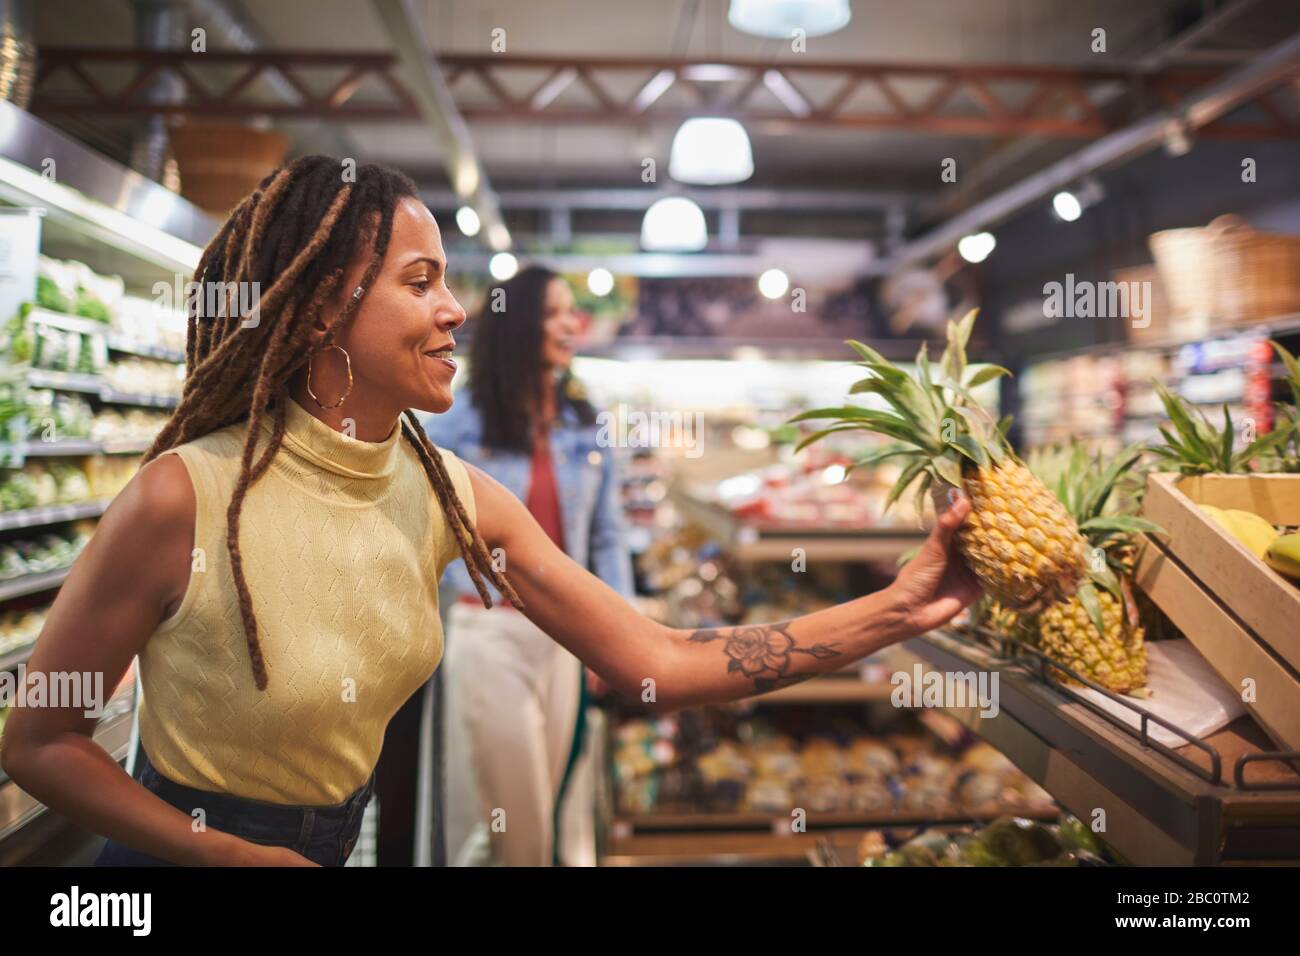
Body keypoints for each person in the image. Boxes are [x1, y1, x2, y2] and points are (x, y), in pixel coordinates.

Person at [0, 156, 980, 867]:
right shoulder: (182, 496)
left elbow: (661, 660)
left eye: (448, 282)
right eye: (418, 282)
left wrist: (901, 604)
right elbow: (37, 743)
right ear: (316, 311)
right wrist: (211, 851)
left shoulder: (452, 495)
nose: (455, 309)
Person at [424, 264, 633, 867]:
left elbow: (607, 536)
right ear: (519, 329)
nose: (572, 324)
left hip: (569, 630)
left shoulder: (585, 425)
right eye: (554, 313)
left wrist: (616, 632)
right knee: (521, 821)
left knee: (563, 807)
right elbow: (424, 524)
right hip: (489, 630)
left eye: (572, 312)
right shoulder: (461, 420)